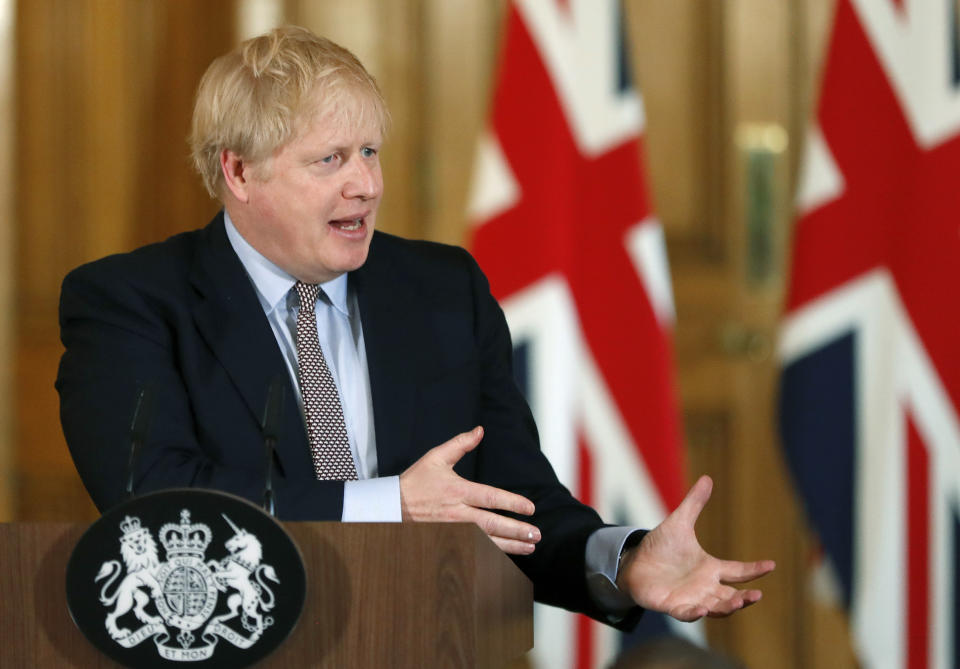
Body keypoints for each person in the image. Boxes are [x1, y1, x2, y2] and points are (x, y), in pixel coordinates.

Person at [57, 25, 773, 627]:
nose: (365, 184)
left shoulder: (441, 290)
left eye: (370, 152)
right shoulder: (130, 303)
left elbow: (510, 500)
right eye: (330, 159)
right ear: (239, 172)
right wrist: (387, 506)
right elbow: (154, 502)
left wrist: (622, 558)